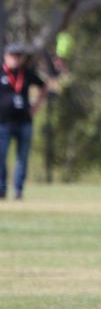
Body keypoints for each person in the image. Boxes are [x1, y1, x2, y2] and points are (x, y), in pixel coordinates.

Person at [1, 43, 47, 200]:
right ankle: (1, 190)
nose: (16, 59)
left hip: (24, 122)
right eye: (13, 55)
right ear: (6, 56)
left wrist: (36, 107)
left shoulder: (26, 73)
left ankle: (18, 191)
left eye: (18, 56)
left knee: (22, 158)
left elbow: (44, 86)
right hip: (3, 123)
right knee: (1, 156)